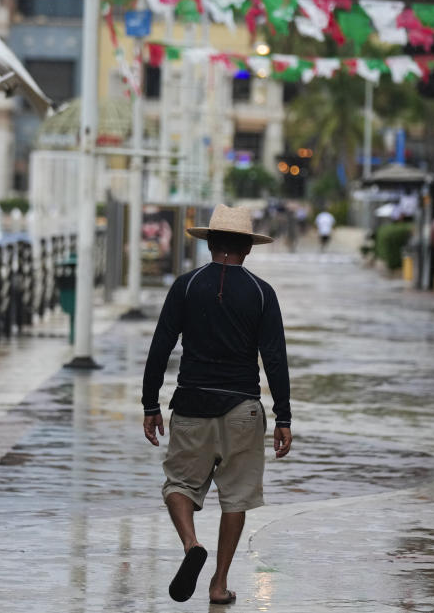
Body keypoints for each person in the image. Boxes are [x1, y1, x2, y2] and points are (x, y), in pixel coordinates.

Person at [142, 204, 293, 605]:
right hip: (242, 409)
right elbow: (274, 358)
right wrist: (284, 416)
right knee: (236, 497)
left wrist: (150, 404)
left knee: (178, 485)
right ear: (247, 247)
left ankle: (192, 544)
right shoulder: (262, 293)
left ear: (210, 243)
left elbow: (161, 346)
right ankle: (218, 583)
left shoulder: (186, 286)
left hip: (191, 403)